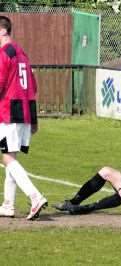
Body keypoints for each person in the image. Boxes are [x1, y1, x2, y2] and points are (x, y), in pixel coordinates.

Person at [0, 16, 48, 220]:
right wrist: (34, 119)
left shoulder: (4, 53)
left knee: (7, 157)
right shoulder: (22, 54)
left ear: (2, 31)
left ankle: (35, 196)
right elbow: (33, 87)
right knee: (11, 157)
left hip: (9, 111)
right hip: (24, 111)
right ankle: (8, 205)